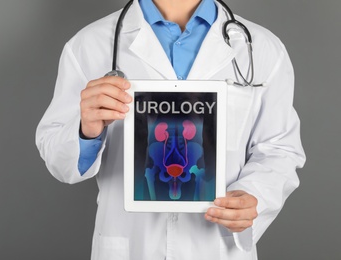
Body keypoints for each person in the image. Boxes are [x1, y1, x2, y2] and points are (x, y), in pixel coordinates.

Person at [36, 0, 305, 259]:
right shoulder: (90, 45)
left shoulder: (261, 48)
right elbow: (59, 160)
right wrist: (87, 131)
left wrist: (255, 195)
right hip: (131, 244)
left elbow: (279, 148)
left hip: (215, 244)